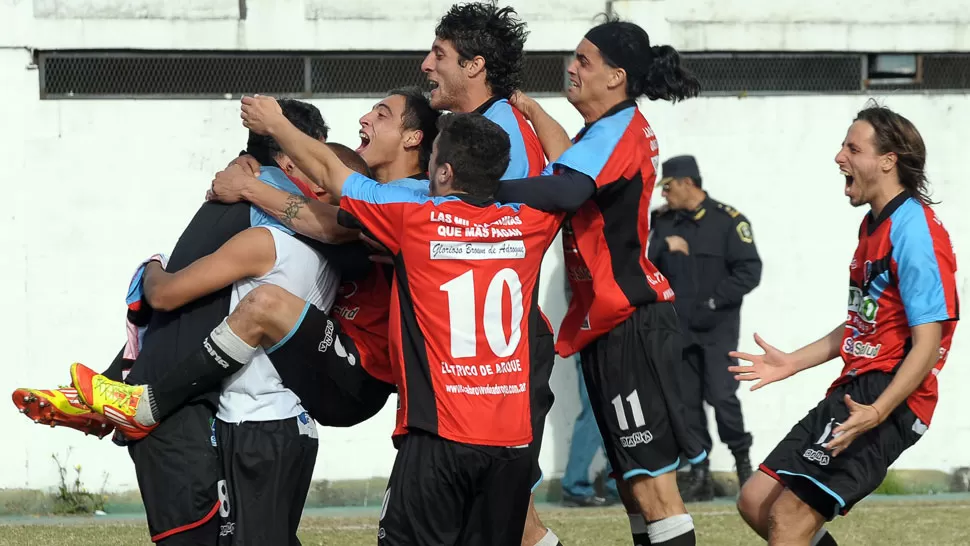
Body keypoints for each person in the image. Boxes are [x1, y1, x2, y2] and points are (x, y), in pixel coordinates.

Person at [16, 99, 337, 545]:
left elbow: (164, 297)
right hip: (192, 418)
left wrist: (152, 265)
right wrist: (154, 270)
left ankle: (106, 394)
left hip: (199, 408)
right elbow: (167, 296)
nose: (327, 174)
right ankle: (112, 397)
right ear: (287, 157)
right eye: (315, 156)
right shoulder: (274, 217)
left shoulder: (244, 200)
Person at [512, 16, 705, 546]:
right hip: (612, 324)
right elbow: (570, 162)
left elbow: (567, 189)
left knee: (653, 490)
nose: (571, 68)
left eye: (583, 61)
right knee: (633, 488)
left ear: (616, 76)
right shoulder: (604, 132)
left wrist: (480, 191)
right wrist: (528, 108)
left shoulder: (618, 131)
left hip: (632, 322)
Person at [732, 104, 959, 546]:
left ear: (888, 160)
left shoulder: (915, 231)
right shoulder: (873, 225)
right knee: (756, 500)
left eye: (852, 148)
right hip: (856, 389)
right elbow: (864, 321)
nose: (839, 157)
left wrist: (878, 411)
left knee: (789, 518)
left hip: (889, 395)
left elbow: (927, 345)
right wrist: (792, 362)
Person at [421, 7, 559, 542]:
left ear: (475, 66)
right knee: (507, 520)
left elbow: (515, 236)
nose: (426, 64)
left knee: (497, 519)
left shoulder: (503, 133)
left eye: (440, 54)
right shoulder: (472, 129)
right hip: (481, 342)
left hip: (508, 341)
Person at [649, 155, 762, 500]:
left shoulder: (728, 221)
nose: (664, 194)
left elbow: (749, 271)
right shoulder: (663, 222)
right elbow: (641, 259)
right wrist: (661, 245)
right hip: (678, 330)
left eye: (668, 187)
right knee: (686, 403)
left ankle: (743, 463)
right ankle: (700, 472)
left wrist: (714, 302)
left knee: (722, 396)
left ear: (687, 183)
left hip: (717, 330)